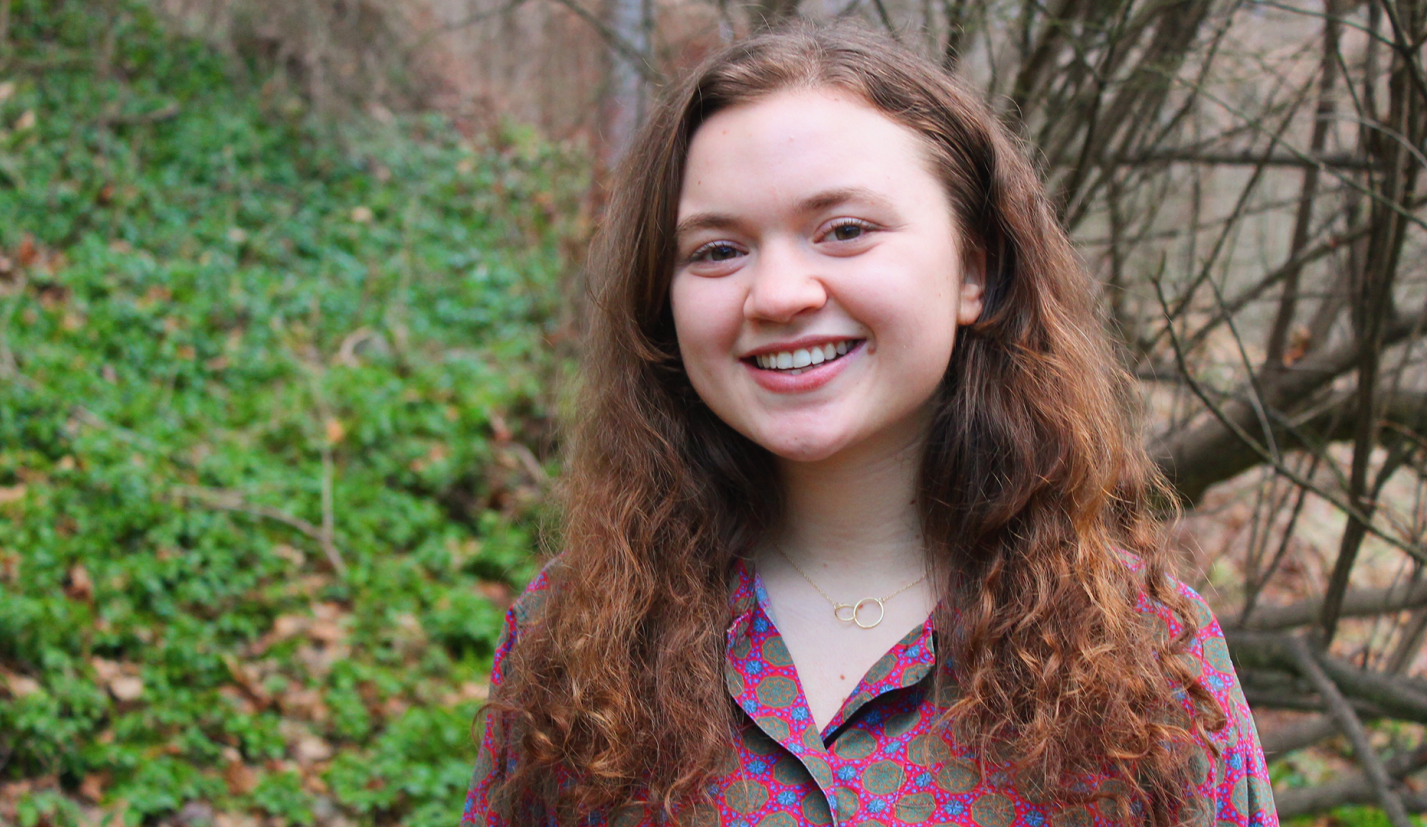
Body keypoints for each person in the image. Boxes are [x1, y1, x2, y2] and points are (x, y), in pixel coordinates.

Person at [461, 23, 1277, 827]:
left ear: (975, 270)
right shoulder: (569, 644)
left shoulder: (1150, 666)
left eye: (845, 231)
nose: (778, 294)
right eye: (716, 250)